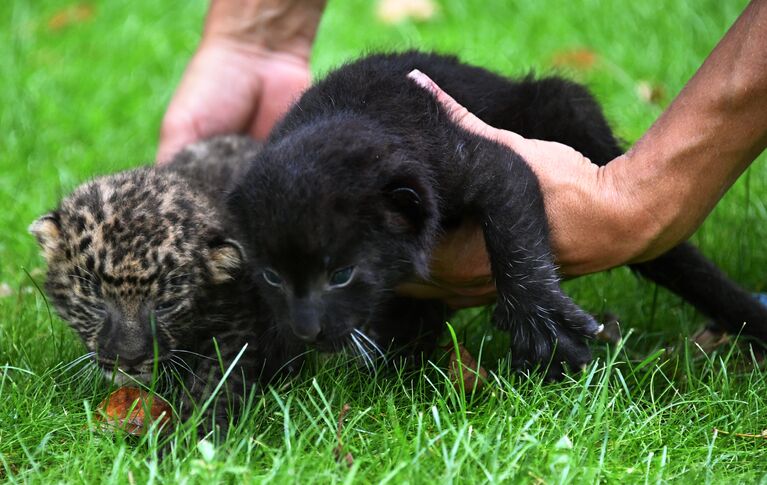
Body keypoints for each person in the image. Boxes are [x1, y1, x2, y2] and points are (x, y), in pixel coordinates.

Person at [158, 0, 767, 308]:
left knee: (562, 110)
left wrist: (642, 198)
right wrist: (253, 37)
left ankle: (734, 307)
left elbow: (500, 176)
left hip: (493, 146)